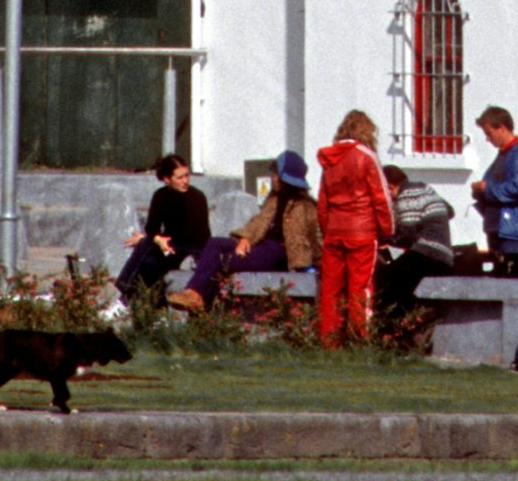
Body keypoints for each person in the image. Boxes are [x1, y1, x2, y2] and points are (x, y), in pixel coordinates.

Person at [169, 150, 321, 313]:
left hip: (279, 252)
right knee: (214, 243)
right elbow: (259, 222)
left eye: (276, 174)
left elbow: (310, 239)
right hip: (263, 246)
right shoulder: (275, 199)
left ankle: (197, 295)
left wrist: (315, 263)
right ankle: (194, 294)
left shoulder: (304, 206)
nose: (273, 177)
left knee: (223, 260)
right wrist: (245, 239)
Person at [315, 110, 393, 344]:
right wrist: (387, 230)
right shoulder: (366, 156)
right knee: (361, 291)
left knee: (330, 291)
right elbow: (382, 198)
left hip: (334, 233)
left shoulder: (329, 160)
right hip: (362, 233)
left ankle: (329, 343)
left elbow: (322, 203)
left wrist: (328, 230)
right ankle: (360, 342)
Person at [113, 154, 211, 304]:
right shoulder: (160, 196)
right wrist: (159, 240)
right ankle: (154, 309)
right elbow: (152, 227)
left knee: (145, 245)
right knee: (151, 262)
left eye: (187, 175)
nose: (185, 181)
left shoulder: (197, 197)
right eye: (179, 177)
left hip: (190, 248)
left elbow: (198, 235)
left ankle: (123, 298)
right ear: (167, 179)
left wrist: (156, 240)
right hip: (169, 246)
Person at [470, 105, 518, 271]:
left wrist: (487, 189)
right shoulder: (505, 155)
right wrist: (480, 191)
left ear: (502, 128)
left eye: (489, 133)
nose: (487, 139)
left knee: (513, 282)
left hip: (513, 235)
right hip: (501, 232)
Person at [376, 165, 454, 316]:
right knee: (402, 280)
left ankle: (389, 327)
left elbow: (407, 235)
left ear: (390, 186)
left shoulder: (406, 194)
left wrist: (388, 240)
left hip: (428, 252)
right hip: (443, 255)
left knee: (387, 280)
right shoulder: (423, 187)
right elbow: (449, 211)